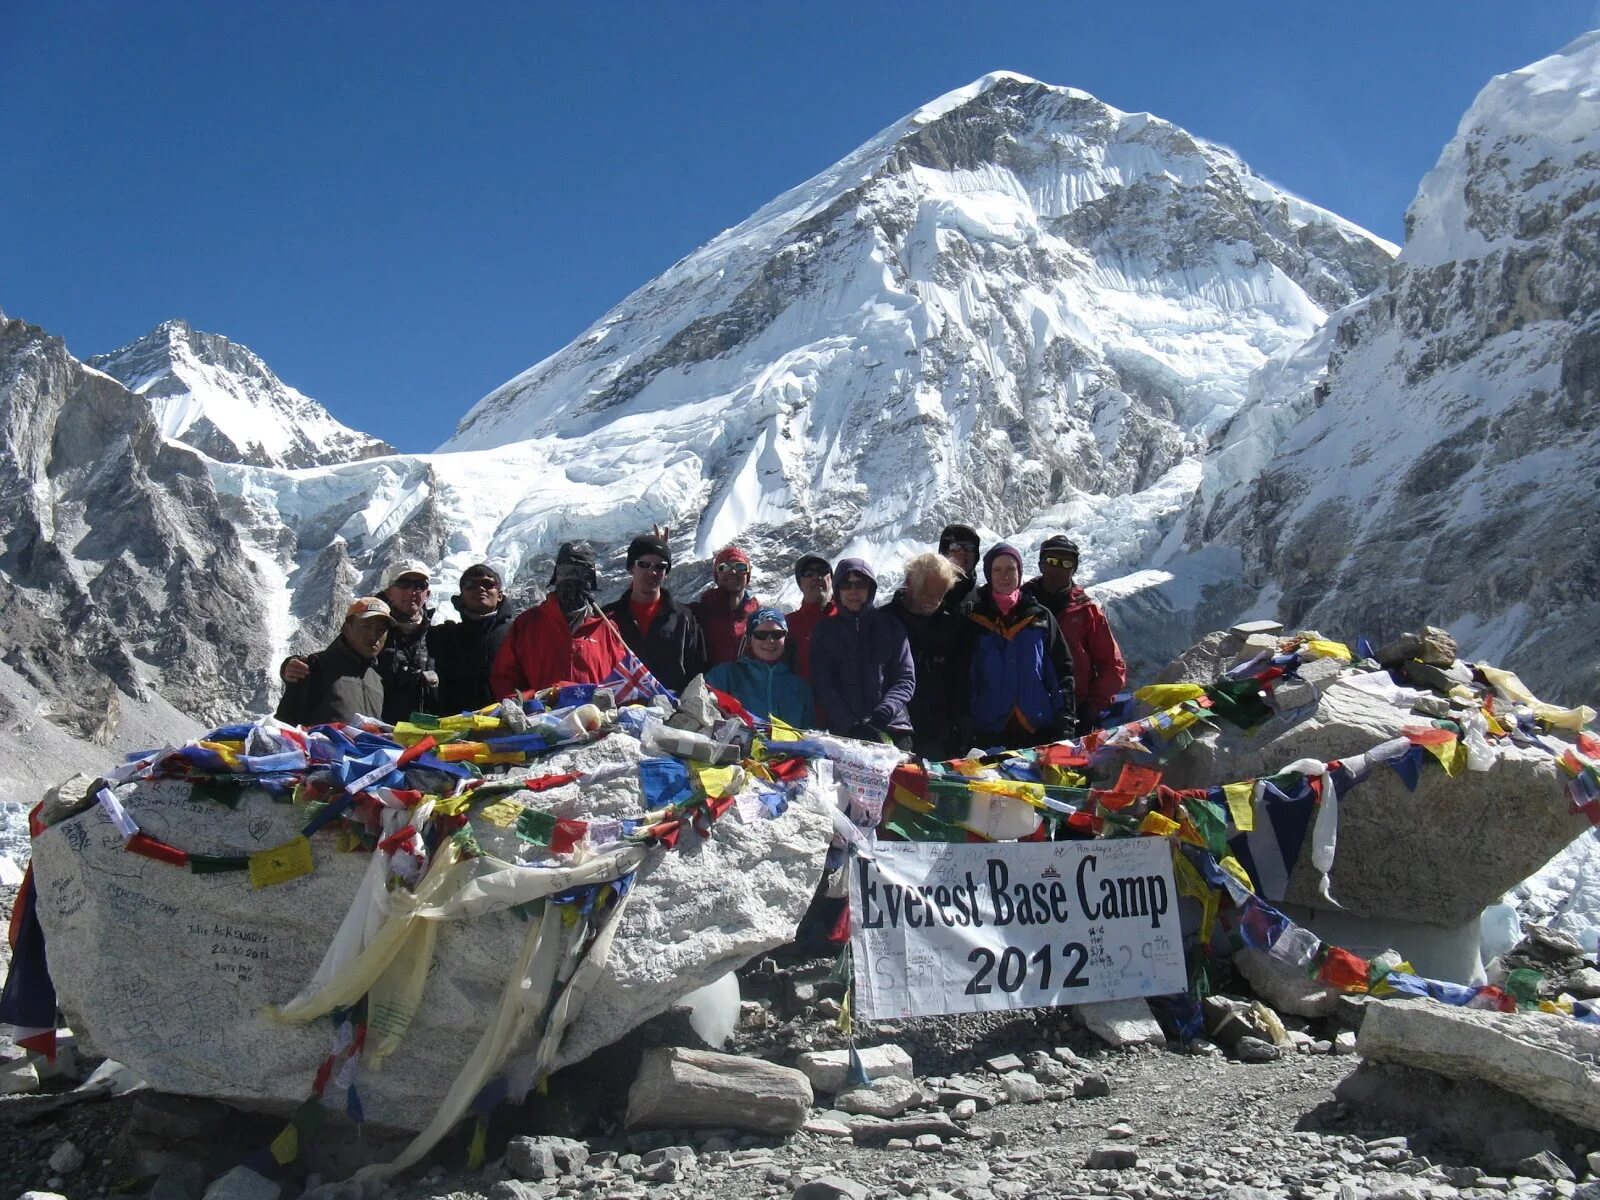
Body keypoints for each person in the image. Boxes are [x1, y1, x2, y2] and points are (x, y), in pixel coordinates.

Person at [281, 557, 437, 724]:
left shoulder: (437, 637)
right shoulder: (365, 625)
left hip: (414, 738)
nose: (412, 591)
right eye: (404, 583)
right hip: (377, 738)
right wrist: (290, 666)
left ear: (427, 594)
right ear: (388, 591)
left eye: (420, 585)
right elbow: (337, 657)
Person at [965, 543, 1076, 749]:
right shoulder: (974, 620)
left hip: (1038, 729)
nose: (1004, 575)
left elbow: (1061, 673)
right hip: (988, 731)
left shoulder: (1040, 617)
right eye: (997, 570)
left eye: (1010, 569)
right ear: (989, 574)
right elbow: (965, 679)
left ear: (1020, 572)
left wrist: (1065, 722)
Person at [490, 541, 629, 696]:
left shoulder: (606, 629)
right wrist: (532, 701)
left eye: (580, 572)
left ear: (591, 578)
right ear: (556, 575)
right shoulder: (527, 625)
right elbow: (504, 678)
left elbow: (623, 684)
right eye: (566, 571)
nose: (572, 578)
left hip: (595, 718)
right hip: (541, 718)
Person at [1022, 535, 1128, 733]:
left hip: (1073, 711)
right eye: (1052, 561)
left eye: (1066, 562)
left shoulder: (1087, 612)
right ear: (1040, 564)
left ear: (1074, 568)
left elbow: (1112, 666)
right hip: (1024, 713)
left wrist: (1091, 709)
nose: (1057, 567)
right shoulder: (1018, 605)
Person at [810, 557, 915, 747]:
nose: (853, 591)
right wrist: (849, 723)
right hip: (844, 734)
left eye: (860, 584)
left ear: (871, 588)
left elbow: (905, 679)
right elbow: (823, 683)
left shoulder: (891, 627)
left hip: (892, 728)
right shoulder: (825, 631)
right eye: (846, 585)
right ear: (837, 590)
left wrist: (882, 713)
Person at [885, 553, 971, 760]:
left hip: (938, 735)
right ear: (909, 582)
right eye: (926, 593)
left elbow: (960, 681)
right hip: (893, 730)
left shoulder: (952, 627)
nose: (933, 601)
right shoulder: (884, 622)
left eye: (940, 594)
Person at [601, 533, 707, 693]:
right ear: (631, 568)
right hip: (618, 710)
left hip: (672, 710)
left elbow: (698, 670)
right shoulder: (607, 617)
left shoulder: (684, 618)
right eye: (644, 564)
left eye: (660, 566)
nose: (652, 572)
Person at [275, 597, 392, 726]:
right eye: (366, 626)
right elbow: (285, 723)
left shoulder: (377, 681)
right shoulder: (317, 666)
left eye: (381, 629)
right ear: (347, 629)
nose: (373, 635)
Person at [427, 563, 518, 714]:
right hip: (457, 729)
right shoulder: (444, 636)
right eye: (471, 585)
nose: (480, 589)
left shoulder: (518, 633)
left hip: (509, 726)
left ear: (500, 595)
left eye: (488, 584)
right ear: (461, 597)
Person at [706, 608, 815, 727]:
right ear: (749, 638)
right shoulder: (725, 675)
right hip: (737, 744)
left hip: (788, 745)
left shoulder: (800, 687)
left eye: (777, 634)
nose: (770, 640)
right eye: (761, 635)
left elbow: (808, 733)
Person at [692, 545, 761, 668]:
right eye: (724, 567)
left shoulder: (760, 617)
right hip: (709, 685)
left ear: (748, 575)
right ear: (716, 575)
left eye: (740, 567)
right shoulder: (697, 613)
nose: (733, 572)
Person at [784, 554, 836, 682]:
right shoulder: (786, 625)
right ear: (800, 584)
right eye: (808, 573)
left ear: (831, 580)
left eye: (822, 571)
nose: (816, 577)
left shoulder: (850, 619)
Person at [938, 523, 981, 612]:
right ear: (944, 553)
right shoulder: (926, 594)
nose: (962, 552)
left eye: (969, 547)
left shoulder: (984, 599)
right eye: (954, 547)